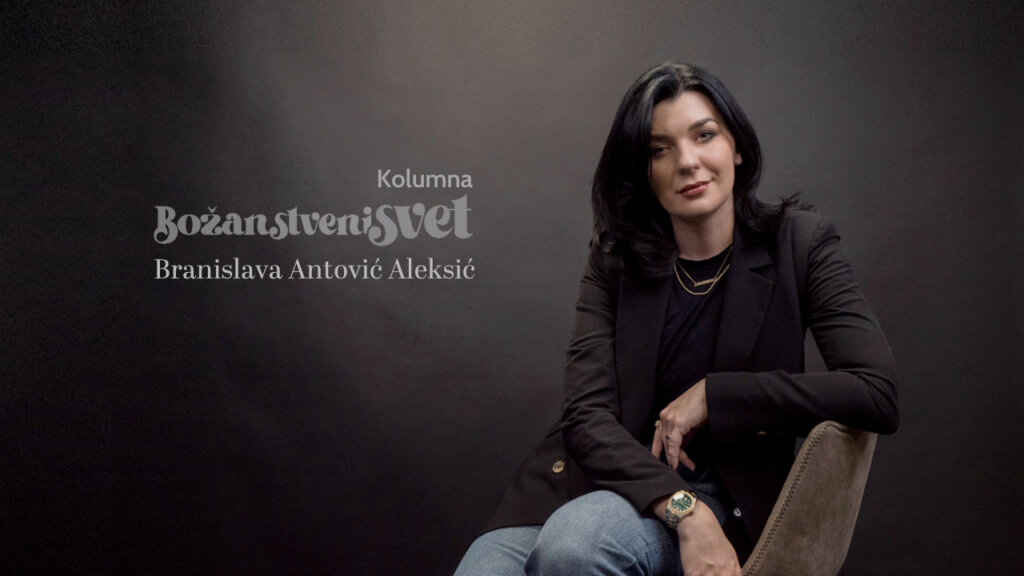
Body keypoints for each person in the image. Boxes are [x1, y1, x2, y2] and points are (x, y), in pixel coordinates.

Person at [454, 62, 899, 576]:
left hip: (716, 495)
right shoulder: (615, 260)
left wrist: (715, 395)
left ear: (736, 146)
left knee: (578, 544)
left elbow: (876, 392)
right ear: (643, 173)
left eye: (704, 135)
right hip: (591, 481)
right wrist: (685, 511)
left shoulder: (800, 244)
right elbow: (585, 416)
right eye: (659, 150)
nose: (687, 162)